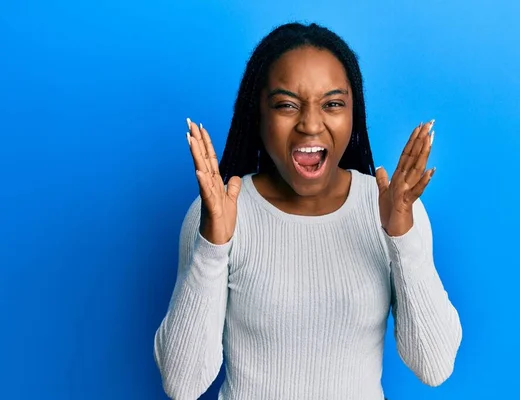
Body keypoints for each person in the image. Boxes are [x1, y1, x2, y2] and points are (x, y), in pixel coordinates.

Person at [153, 22, 462, 400]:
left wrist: (401, 236)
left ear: (353, 113)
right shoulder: (220, 213)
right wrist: (212, 247)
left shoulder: (391, 207)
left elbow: (433, 365)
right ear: (259, 115)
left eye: (333, 104)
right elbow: (182, 385)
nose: (311, 124)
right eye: (286, 105)